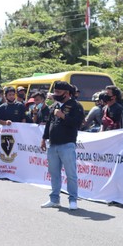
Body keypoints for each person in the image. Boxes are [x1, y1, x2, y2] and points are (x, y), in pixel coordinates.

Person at [40, 81, 84, 210]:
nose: (56, 94)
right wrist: (44, 138)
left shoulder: (76, 106)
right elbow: (49, 123)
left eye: (59, 92)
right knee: (54, 173)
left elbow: (77, 123)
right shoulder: (54, 106)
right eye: (55, 92)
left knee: (71, 174)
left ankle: (73, 200)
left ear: (67, 93)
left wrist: (63, 116)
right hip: (53, 144)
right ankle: (54, 199)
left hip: (67, 144)